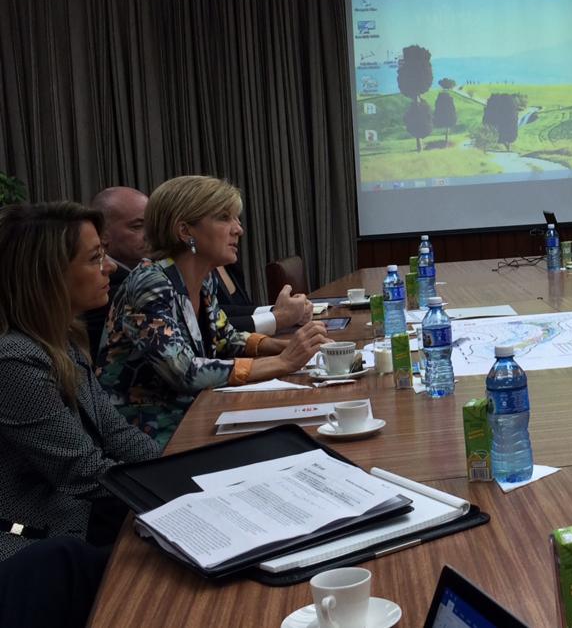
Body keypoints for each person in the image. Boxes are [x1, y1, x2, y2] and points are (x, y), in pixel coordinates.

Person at [97, 176, 331, 444]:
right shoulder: (150, 282)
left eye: (236, 219)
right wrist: (284, 362)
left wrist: (294, 348)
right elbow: (183, 371)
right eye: (224, 218)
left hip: (196, 414)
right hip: (153, 435)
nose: (238, 230)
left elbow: (225, 338)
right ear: (185, 231)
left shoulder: (202, 276)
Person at [0, 202, 160, 567]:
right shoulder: (12, 359)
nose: (111, 267)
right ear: (48, 275)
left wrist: (183, 471)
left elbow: (117, 434)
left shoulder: (59, 339)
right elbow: (81, 472)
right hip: (34, 547)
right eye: (94, 258)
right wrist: (178, 488)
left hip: (81, 521)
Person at [83, 187, 149, 357]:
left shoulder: (145, 272)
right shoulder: (105, 286)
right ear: (102, 234)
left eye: (151, 225)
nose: (149, 235)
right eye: (138, 226)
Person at [213, 260, 313, 334]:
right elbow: (215, 326)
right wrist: (277, 318)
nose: (239, 231)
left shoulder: (231, 264)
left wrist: (283, 311)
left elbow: (234, 311)